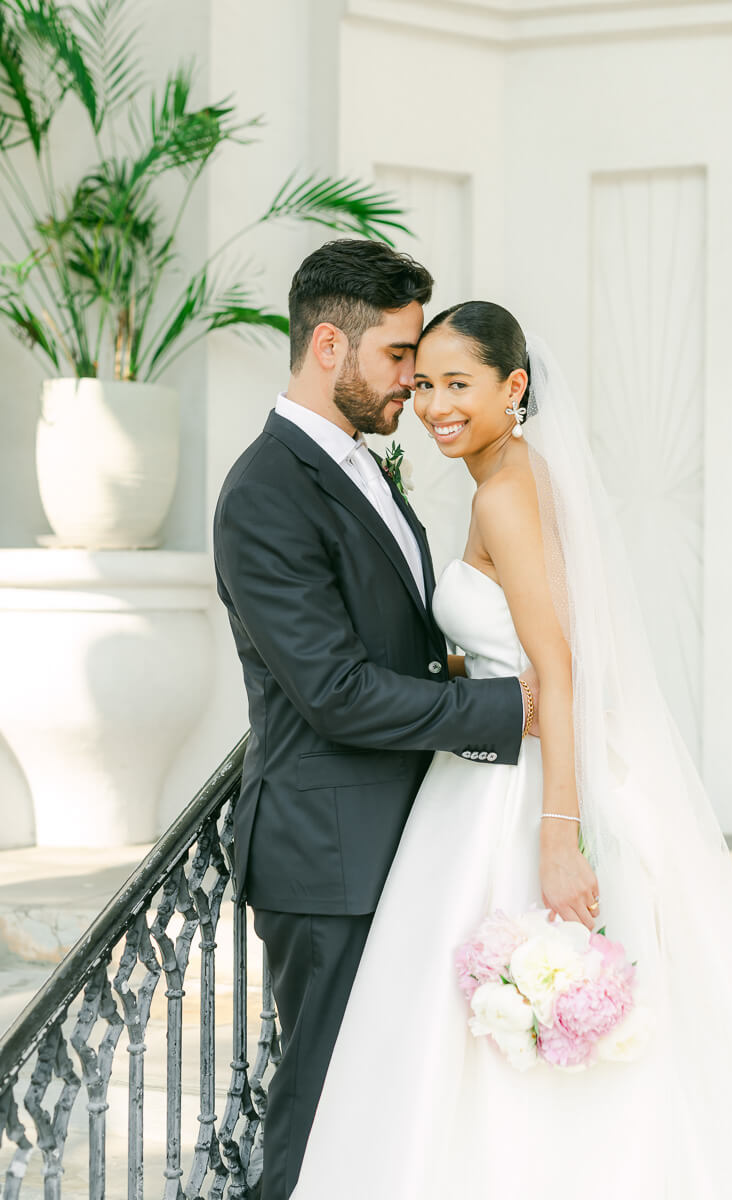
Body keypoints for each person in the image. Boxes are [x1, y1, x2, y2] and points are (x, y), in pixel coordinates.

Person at [290, 301, 732, 1199]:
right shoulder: (514, 472)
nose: (436, 402)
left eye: (460, 384)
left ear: (513, 387)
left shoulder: (506, 487)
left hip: (512, 795)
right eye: (428, 381)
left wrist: (557, 835)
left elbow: (556, 666)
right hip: (479, 776)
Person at [213, 246, 539, 1200]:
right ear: (328, 345)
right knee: (318, 1111)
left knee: (389, 1106)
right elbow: (337, 692)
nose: (418, 379)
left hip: (400, 835)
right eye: (402, 355)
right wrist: (509, 707)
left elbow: (394, 644)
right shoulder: (266, 493)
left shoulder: (363, 463)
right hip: (330, 855)